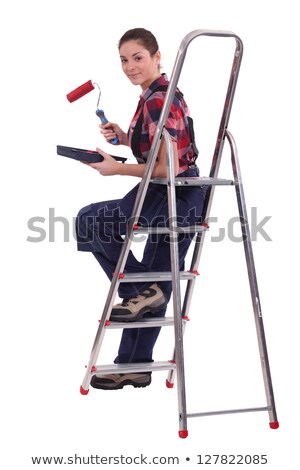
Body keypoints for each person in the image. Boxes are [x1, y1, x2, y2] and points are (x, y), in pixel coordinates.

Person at [76, 28, 207, 391]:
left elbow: (169, 166)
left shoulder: (158, 99)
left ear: (157, 56)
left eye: (138, 57)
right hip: (174, 193)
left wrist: (116, 168)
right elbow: (159, 150)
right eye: (123, 59)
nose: (130, 66)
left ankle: (144, 289)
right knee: (154, 284)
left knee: (90, 221)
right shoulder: (154, 96)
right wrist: (125, 137)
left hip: (174, 193)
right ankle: (133, 365)